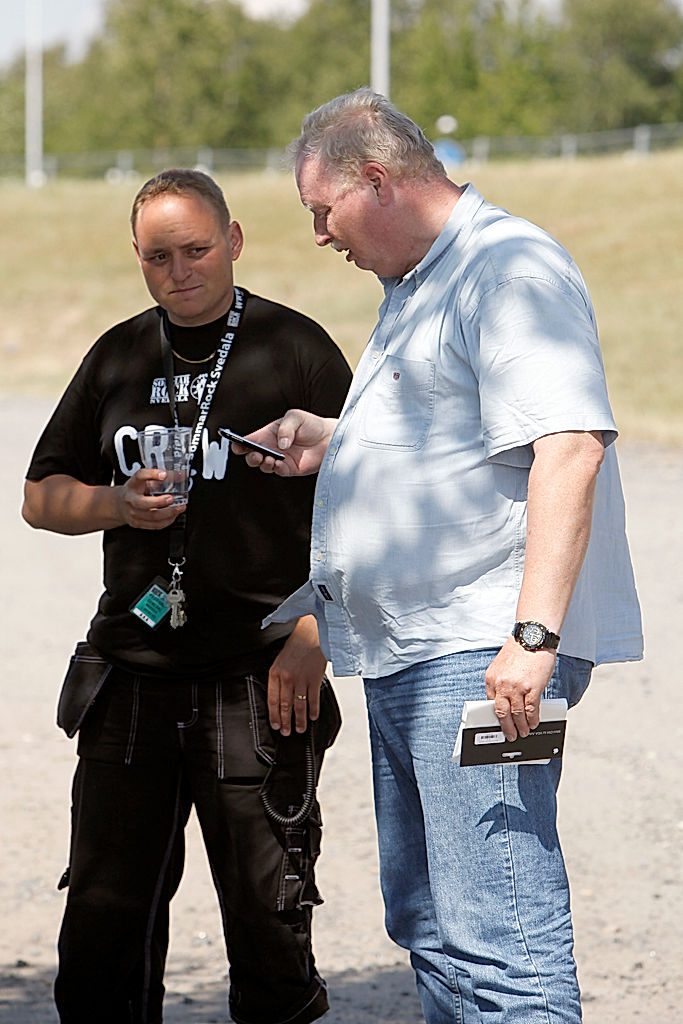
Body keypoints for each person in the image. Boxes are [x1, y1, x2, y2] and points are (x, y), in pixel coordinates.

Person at [233, 90, 644, 1024]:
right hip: (414, 652)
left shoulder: (509, 269)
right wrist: (334, 440)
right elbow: (459, 435)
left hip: (482, 657)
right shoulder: (422, 283)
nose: (319, 235)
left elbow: (569, 445)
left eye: (322, 211)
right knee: (432, 927)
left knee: (499, 938)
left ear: (376, 180)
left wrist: (531, 641)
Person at [22, 168, 351, 1024]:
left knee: (270, 929)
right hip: (130, 675)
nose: (179, 271)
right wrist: (114, 505)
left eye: (196, 250)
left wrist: (313, 634)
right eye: (158, 257)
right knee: (102, 936)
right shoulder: (119, 355)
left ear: (233, 241)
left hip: (260, 680)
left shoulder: (295, 349)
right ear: (137, 257)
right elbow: (39, 495)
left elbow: (366, 507)